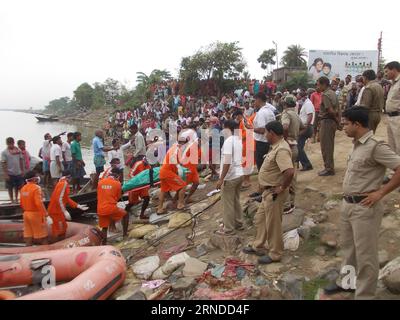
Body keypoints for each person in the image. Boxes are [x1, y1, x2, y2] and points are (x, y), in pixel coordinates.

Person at [324, 107, 400, 300]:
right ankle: (348, 284)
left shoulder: (376, 145)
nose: (343, 128)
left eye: (346, 124)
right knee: (349, 250)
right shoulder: (357, 144)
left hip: (364, 208)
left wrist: (381, 192)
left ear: (357, 124)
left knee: (366, 256)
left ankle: (365, 295)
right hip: (348, 205)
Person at [242, 121, 294, 264]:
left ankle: (275, 253)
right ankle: (258, 245)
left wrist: (282, 188)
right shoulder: (275, 147)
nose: (264, 135)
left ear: (271, 133)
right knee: (260, 220)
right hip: (267, 192)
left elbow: (289, 172)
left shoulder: (281, 149)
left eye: (265, 132)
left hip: (274, 193)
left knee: (273, 224)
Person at [215, 120, 244, 235]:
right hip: (239, 174)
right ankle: (239, 223)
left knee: (227, 204)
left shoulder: (228, 141)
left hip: (230, 177)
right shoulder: (237, 140)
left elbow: (227, 162)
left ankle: (229, 229)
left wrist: (221, 178)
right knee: (235, 200)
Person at [48, 170, 88, 241]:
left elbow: (66, 198)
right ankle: (58, 246)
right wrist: (64, 211)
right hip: (56, 211)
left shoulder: (61, 183)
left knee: (62, 228)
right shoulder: (64, 184)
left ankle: (59, 243)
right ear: (69, 177)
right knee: (59, 230)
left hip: (57, 210)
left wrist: (78, 206)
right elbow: (59, 199)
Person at [250, 92, 276, 198]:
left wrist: (251, 128)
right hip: (268, 142)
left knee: (262, 169)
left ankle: (264, 192)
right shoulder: (269, 111)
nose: (253, 102)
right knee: (265, 168)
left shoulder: (261, 113)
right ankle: (261, 189)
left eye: (254, 100)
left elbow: (262, 129)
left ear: (259, 100)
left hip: (262, 142)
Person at [281, 95, 303, 214]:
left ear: (285, 104)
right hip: (294, 145)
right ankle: (292, 202)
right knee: (292, 175)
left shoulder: (286, 114)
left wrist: (284, 140)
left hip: (288, 146)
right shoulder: (295, 114)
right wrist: (295, 137)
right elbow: (303, 127)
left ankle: (286, 205)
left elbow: (285, 126)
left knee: (284, 175)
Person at [97, 168, 129, 244]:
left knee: (104, 228)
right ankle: (125, 234)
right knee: (126, 215)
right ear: (118, 175)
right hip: (111, 208)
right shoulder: (117, 184)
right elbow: (118, 197)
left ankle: (103, 244)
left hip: (100, 208)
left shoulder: (100, 182)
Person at [20, 171, 52, 245]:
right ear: (34, 179)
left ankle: (28, 253)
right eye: (37, 176)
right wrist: (46, 215)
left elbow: (21, 203)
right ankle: (47, 252)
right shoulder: (36, 188)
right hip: (35, 214)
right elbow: (38, 203)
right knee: (43, 236)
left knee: (28, 235)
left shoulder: (23, 188)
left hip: (26, 214)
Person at [317, 76, 340, 176]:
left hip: (327, 122)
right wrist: (338, 122)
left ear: (323, 84)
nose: (317, 86)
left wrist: (336, 120)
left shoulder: (325, 95)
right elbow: (337, 109)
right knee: (329, 145)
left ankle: (329, 168)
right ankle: (329, 166)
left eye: (318, 84)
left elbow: (330, 111)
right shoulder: (332, 93)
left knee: (326, 146)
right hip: (331, 122)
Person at [157, 140, 187, 214]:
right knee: (183, 185)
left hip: (163, 171)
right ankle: (180, 205)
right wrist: (178, 166)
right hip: (168, 172)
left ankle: (159, 209)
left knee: (163, 190)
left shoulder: (173, 148)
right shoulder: (176, 149)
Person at [1, 137, 25, 203]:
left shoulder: (18, 151)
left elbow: (21, 160)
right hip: (10, 173)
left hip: (18, 172)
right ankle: (12, 199)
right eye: (9, 144)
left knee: (18, 187)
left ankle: (17, 199)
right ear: (7, 144)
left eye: (11, 143)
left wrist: (22, 170)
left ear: (13, 143)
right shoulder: (4, 152)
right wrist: (6, 174)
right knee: (10, 187)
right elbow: (3, 163)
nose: (10, 145)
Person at [297, 89, 315, 171]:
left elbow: (310, 115)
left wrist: (305, 126)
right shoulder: (306, 103)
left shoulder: (308, 104)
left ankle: (307, 164)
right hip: (306, 127)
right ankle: (299, 163)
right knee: (298, 146)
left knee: (298, 147)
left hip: (307, 127)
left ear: (303, 97)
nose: (299, 100)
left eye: (299, 98)